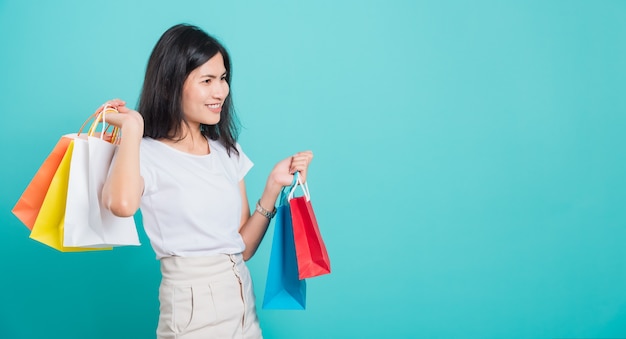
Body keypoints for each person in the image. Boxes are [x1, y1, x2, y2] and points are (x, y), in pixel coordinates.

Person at [100, 23, 313, 339]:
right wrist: (132, 128)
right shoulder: (144, 152)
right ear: (172, 84)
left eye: (223, 78)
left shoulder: (227, 151)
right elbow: (121, 205)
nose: (221, 91)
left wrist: (272, 187)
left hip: (241, 302)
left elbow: (242, 248)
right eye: (207, 80)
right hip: (191, 309)